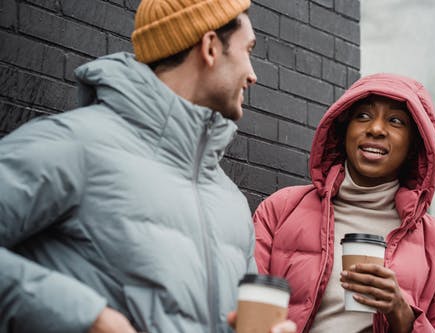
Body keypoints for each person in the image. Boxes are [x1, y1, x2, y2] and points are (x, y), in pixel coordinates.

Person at [0, 0, 296, 332]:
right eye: (249, 50)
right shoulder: (73, 146)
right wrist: (88, 317)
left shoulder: (231, 201)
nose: (253, 75)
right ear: (211, 47)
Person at [253, 73, 435, 332]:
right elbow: (243, 311)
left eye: (395, 121)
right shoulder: (280, 210)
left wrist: (401, 314)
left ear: (415, 145)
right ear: (344, 129)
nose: (376, 129)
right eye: (363, 116)